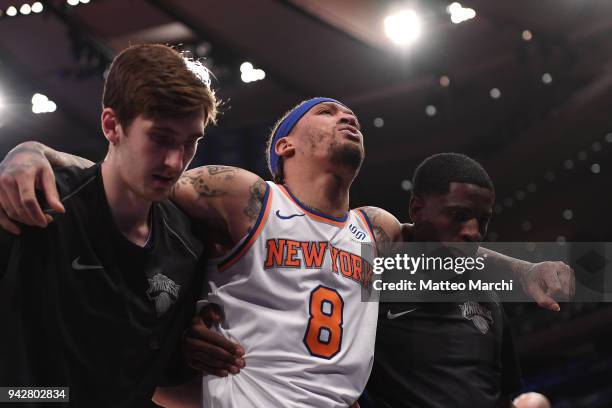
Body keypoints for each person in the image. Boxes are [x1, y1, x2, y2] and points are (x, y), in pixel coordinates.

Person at [0, 98, 573, 407]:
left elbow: (453, 254)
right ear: (286, 144)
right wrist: (33, 152)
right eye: (325, 112)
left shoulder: (375, 231)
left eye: (351, 114)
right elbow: (132, 180)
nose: (346, 115)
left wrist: (525, 272)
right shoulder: (245, 196)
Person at [0, 43, 218, 407]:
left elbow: (165, 385)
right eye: (160, 138)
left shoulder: (187, 245)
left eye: (190, 143)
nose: (175, 161)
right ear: (112, 125)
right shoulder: (34, 202)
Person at [364, 153, 522, 408]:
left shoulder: (489, 298)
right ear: (417, 210)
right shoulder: (374, 280)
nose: (473, 233)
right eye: (458, 215)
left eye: (483, 221)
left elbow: (501, 396)